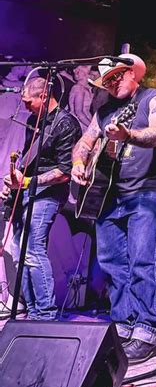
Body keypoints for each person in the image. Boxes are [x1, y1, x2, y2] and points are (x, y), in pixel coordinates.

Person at [71, 53, 156, 364]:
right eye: (107, 80)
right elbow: (84, 142)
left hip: (147, 190)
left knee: (144, 261)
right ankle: (123, 324)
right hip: (108, 194)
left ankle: (146, 330)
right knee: (111, 263)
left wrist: (127, 134)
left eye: (116, 75)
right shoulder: (104, 111)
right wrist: (79, 163)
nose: (112, 83)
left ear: (133, 73)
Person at [1, 76, 82, 320]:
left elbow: (65, 171)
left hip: (48, 194)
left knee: (33, 250)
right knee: (19, 253)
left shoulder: (66, 123)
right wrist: (13, 181)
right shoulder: (32, 120)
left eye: (29, 101)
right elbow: (29, 160)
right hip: (27, 190)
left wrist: (27, 182)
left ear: (44, 96)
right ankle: (33, 310)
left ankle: (46, 314)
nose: (25, 106)